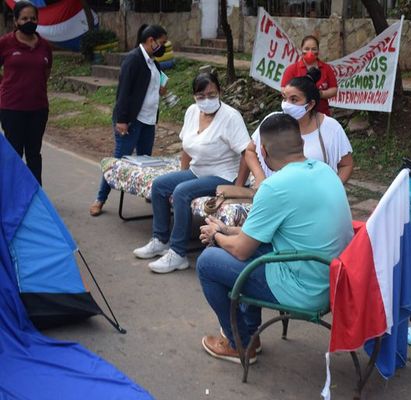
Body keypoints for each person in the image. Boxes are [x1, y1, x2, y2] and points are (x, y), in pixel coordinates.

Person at [196, 113, 353, 364]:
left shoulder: (274, 187)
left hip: (305, 290)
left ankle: (239, 344)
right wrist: (226, 231)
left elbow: (241, 251)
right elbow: (260, 236)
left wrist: (215, 236)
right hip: (330, 280)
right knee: (245, 249)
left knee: (208, 262)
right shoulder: (325, 171)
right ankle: (251, 334)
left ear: (264, 153)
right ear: (300, 143)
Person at [133, 72, 250, 274]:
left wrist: (237, 187)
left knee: (182, 192)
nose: (207, 100)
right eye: (201, 96)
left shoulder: (231, 117)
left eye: (212, 94)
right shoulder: (192, 112)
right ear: (194, 96)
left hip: (223, 175)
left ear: (220, 92)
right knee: (161, 185)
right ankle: (160, 240)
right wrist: (182, 173)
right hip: (198, 170)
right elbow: (186, 147)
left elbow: (246, 152)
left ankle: (178, 254)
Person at [89, 24, 168, 216]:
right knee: (118, 162)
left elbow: (149, 87)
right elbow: (123, 93)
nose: (164, 47)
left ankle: (150, 194)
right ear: (151, 41)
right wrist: (122, 120)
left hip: (148, 120)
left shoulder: (153, 63)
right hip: (132, 121)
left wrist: (161, 89)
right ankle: (100, 198)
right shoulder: (133, 60)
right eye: (162, 43)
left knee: (145, 162)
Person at [245, 67, 353, 187]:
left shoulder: (331, 128)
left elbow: (346, 165)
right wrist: (260, 177)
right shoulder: (273, 121)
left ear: (310, 104)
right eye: (285, 98)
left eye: (294, 100)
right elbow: (250, 151)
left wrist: (332, 188)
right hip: (274, 194)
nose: (286, 105)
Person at [0, 1, 52, 185]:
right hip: (11, 109)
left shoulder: (45, 46)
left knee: (34, 154)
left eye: (33, 18)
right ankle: (11, 198)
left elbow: (45, 72)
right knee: (13, 155)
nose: (29, 21)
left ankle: (36, 197)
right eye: (24, 18)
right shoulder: (5, 43)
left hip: (38, 109)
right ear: (16, 21)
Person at [281, 35, 337, 116]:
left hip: (322, 113)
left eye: (313, 49)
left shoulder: (326, 68)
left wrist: (319, 94)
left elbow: (334, 89)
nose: (310, 52)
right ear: (301, 50)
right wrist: (300, 94)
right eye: (307, 49)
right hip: (297, 115)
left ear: (318, 51)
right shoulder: (292, 69)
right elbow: (283, 90)